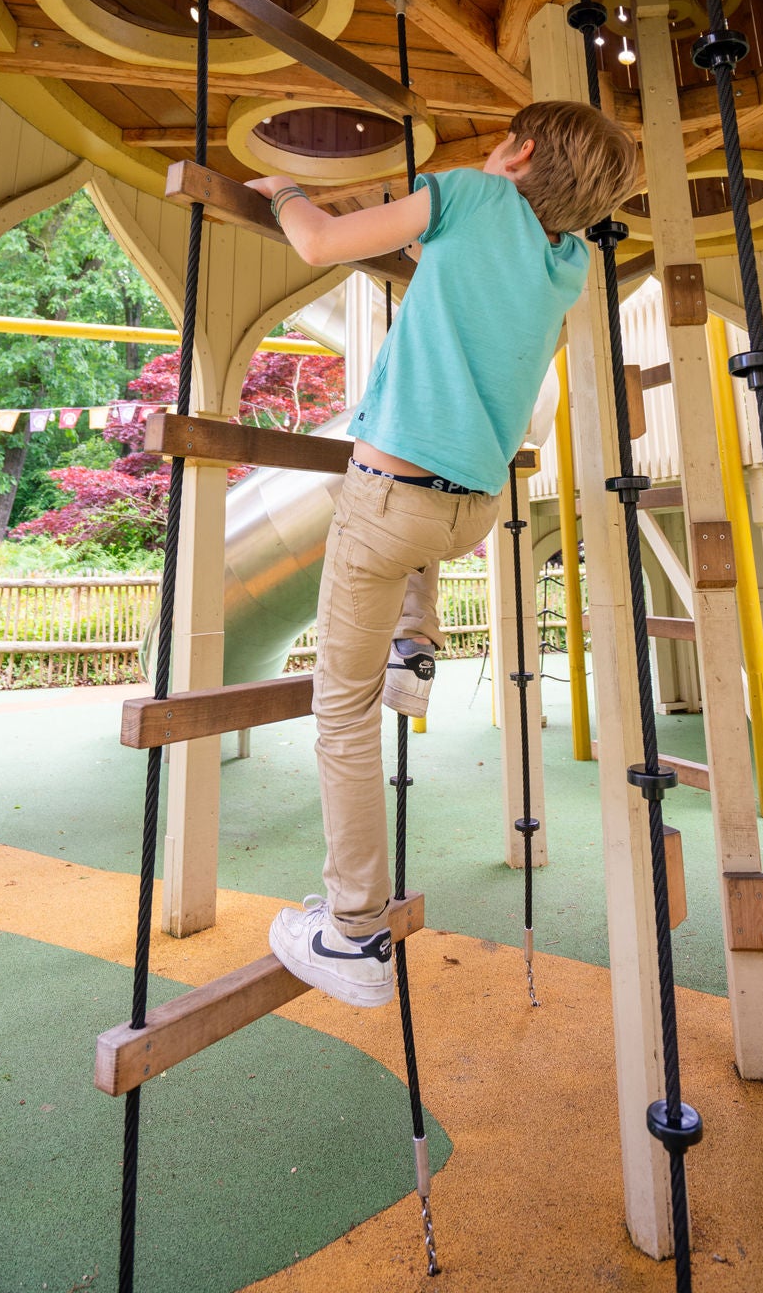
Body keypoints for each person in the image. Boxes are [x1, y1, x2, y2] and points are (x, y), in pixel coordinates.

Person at [244, 100, 638, 1008]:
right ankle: (412, 650)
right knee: (400, 567)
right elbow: (448, 263)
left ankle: (351, 934)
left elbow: (317, 243)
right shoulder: (567, 262)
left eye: (500, 145)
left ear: (519, 151)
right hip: (468, 514)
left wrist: (284, 192)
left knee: (339, 715)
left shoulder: (465, 195)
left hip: (389, 504)